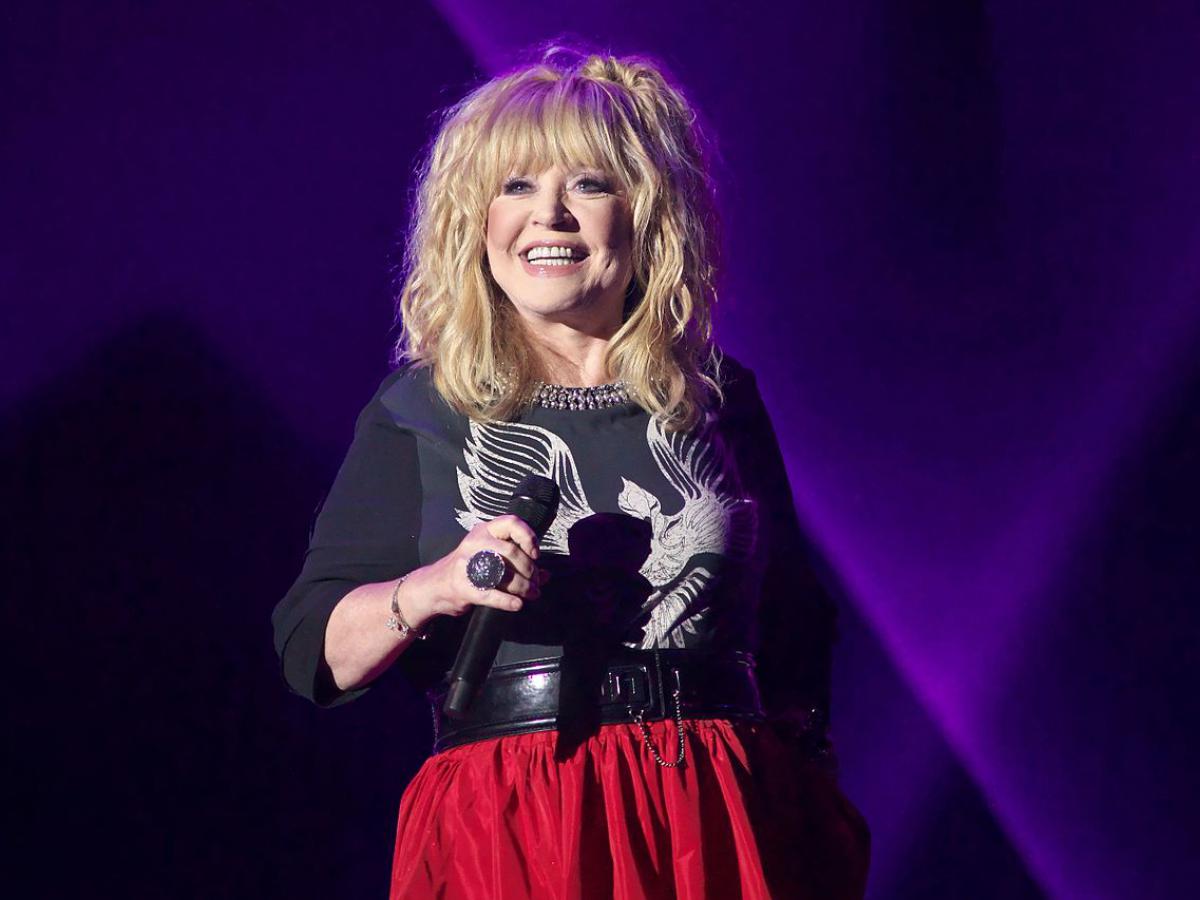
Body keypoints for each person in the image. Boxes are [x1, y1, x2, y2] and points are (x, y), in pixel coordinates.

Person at [272, 46, 870, 899]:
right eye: (516, 186)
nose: (548, 215)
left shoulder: (718, 395)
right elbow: (314, 649)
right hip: (520, 819)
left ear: (647, 217)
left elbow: (795, 623)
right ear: (476, 221)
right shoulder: (422, 409)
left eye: (589, 185)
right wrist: (439, 586)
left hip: (716, 810)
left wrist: (798, 789)